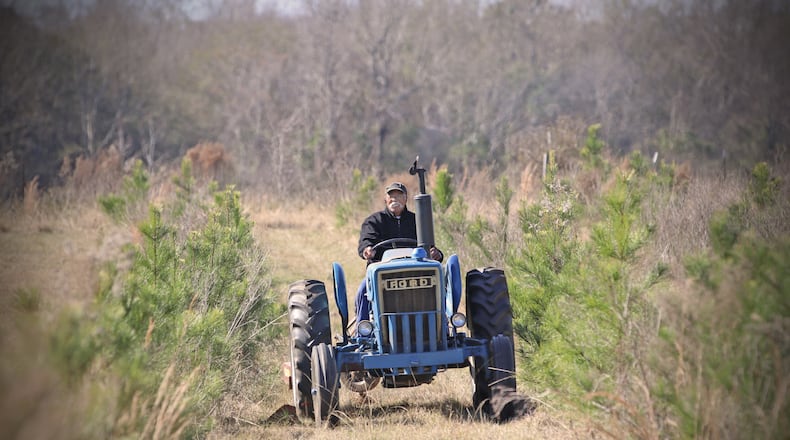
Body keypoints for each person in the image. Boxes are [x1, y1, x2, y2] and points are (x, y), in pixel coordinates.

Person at [354, 181, 443, 328]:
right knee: (363, 290)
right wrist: (367, 250)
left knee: (441, 284)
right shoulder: (374, 221)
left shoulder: (416, 221)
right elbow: (366, 242)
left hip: (416, 272)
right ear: (385, 200)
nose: (394, 199)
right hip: (382, 271)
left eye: (399, 196)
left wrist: (436, 253)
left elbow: (430, 247)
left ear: (405, 199)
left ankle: (443, 324)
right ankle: (362, 329)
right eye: (391, 196)